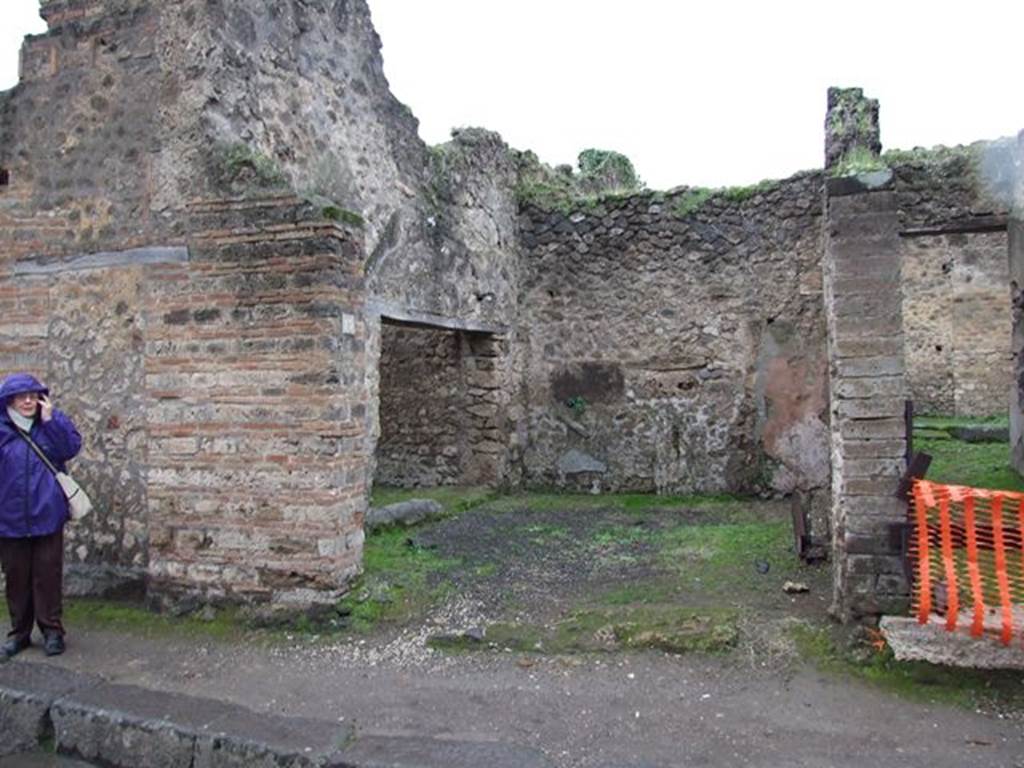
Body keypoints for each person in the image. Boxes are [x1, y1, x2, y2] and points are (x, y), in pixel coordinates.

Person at [0, 372, 82, 660]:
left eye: (33, 395)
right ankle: (19, 634)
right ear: (9, 400)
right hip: (9, 517)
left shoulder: (49, 425)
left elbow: (70, 447)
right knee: (17, 578)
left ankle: (52, 631)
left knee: (47, 576)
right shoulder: (2, 431)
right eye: (21, 396)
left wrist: (51, 421)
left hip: (47, 513)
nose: (27, 401)